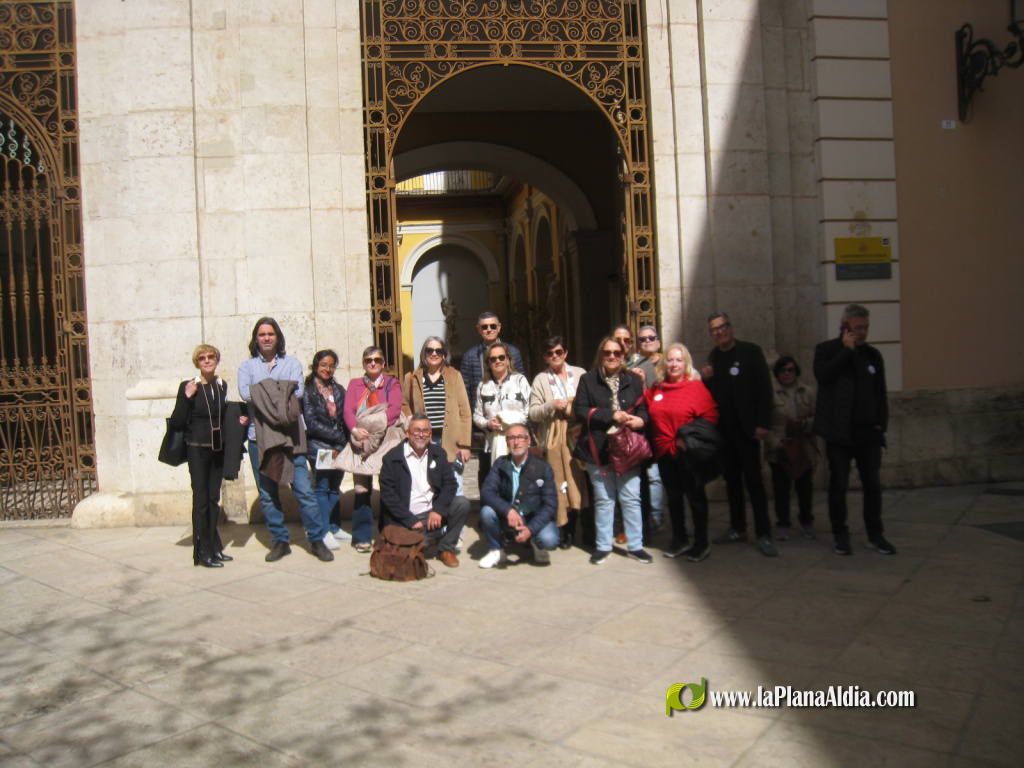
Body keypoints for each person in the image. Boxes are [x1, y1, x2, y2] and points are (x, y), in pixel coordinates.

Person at [238, 318, 334, 562]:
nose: (267, 338)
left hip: (292, 437)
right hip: (258, 438)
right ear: (256, 339)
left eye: (271, 334)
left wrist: (263, 391)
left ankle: (316, 539)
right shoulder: (246, 367)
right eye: (262, 334)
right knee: (268, 493)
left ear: (278, 337)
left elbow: (298, 392)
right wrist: (281, 390)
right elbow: (245, 393)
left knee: (304, 490)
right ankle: (280, 541)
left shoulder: (292, 363)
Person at [813, 304, 894, 555]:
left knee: (873, 485)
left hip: (868, 432)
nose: (862, 332)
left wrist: (881, 423)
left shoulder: (872, 355)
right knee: (839, 484)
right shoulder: (827, 350)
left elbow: (880, 392)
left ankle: (875, 534)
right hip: (839, 433)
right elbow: (823, 376)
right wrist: (846, 351)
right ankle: (840, 534)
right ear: (845, 326)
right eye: (857, 328)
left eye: (865, 328)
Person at [701, 312, 777, 557]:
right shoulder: (714, 357)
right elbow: (711, 394)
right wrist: (705, 379)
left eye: (723, 327)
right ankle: (737, 527)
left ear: (731, 328)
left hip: (748, 430)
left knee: (754, 481)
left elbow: (765, 389)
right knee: (731, 481)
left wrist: (763, 423)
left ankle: (764, 533)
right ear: (711, 335)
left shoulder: (750, 352)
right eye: (715, 329)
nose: (720, 332)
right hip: (724, 432)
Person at [573, 335, 652, 565]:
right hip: (598, 448)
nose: (612, 357)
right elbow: (580, 410)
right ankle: (603, 545)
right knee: (604, 499)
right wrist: (611, 415)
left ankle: (636, 545)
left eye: (617, 353)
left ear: (623, 356)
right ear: (601, 355)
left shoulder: (634, 380)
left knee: (631, 498)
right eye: (607, 353)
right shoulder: (588, 380)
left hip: (628, 447)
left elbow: (644, 409)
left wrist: (641, 421)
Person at [170, 344, 247, 567]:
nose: (207, 361)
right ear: (197, 363)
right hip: (197, 448)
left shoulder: (220, 385)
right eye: (202, 358)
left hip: (216, 449)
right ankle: (201, 551)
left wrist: (240, 419)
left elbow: (221, 416)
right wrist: (186, 397)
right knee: (201, 501)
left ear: (216, 360)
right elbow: (177, 420)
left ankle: (214, 546)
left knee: (213, 500)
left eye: (210, 357)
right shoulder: (189, 386)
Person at [644, 343, 719, 562]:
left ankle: (701, 542)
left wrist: (689, 438)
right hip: (665, 453)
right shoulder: (657, 388)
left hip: (688, 453)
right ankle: (680, 538)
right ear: (664, 363)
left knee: (695, 497)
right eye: (670, 359)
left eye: (679, 360)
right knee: (674, 497)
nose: (674, 364)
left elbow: (711, 416)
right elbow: (643, 405)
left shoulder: (695, 387)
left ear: (686, 363)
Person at [378, 413, 470, 568]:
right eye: (417, 431)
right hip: (407, 518)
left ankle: (445, 548)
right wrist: (409, 519)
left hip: (432, 513)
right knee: (412, 554)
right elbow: (388, 495)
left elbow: (450, 484)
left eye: (425, 431)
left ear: (430, 434)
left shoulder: (438, 453)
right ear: (408, 433)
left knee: (462, 503)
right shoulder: (392, 458)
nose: (421, 435)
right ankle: (425, 540)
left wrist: (439, 510)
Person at [529, 336, 589, 548]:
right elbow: (533, 413)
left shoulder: (581, 374)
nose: (555, 356)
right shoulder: (540, 380)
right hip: (554, 441)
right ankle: (568, 532)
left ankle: (588, 531)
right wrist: (551, 405)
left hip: (579, 438)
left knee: (583, 483)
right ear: (545, 357)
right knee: (561, 484)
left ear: (566, 352)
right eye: (549, 353)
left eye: (558, 352)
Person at [343, 346, 403, 553]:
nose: (373, 363)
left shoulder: (392, 383)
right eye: (369, 360)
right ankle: (362, 536)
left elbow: (394, 410)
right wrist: (355, 429)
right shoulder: (354, 384)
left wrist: (371, 425)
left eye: (377, 359)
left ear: (383, 363)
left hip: (385, 440)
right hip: (361, 441)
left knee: (387, 487)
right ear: (363, 363)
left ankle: (387, 534)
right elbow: (348, 410)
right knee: (361, 488)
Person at [478, 424, 560, 568]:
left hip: (533, 516)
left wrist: (531, 529)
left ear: (528, 441)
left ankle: (536, 543)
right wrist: (508, 510)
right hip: (509, 516)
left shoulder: (542, 467)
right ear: (507, 442)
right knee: (486, 512)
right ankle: (496, 550)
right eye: (511, 438)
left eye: (520, 437)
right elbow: (486, 491)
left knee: (549, 539)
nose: (516, 442)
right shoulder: (501, 464)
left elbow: (550, 505)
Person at [462, 311, 527, 485]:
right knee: (485, 468)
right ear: (478, 329)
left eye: (492, 326)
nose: (489, 329)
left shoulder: (513, 351)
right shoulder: (469, 355)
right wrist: (478, 421)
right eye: (485, 326)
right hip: (484, 422)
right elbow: (466, 389)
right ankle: (488, 505)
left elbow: (523, 388)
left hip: (512, 423)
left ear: (499, 328)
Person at [401, 336, 472, 495]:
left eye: (438, 350)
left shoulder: (454, 376)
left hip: (451, 440)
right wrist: (410, 417)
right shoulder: (412, 378)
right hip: (424, 439)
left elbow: (465, 412)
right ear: (424, 353)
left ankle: (454, 518)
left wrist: (465, 445)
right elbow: (404, 404)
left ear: (444, 354)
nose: (434, 354)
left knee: (454, 483)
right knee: (427, 482)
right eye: (430, 350)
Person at [302, 349, 350, 551]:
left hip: (339, 448)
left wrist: (341, 445)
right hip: (320, 448)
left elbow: (346, 417)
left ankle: (334, 526)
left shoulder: (339, 389)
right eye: (323, 365)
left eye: (331, 365)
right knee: (321, 487)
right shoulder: (308, 392)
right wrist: (339, 439)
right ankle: (323, 531)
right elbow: (311, 424)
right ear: (315, 366)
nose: (327, 369)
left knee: (334, 487)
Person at [766, 356, 817, 541]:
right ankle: (783, 523)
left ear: (796, 372)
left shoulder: (807, 392)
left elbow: (816, 418)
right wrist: (774, 443)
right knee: (781, 489)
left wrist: (804, 423)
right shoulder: (771, 393)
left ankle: (806, 521)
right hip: (780, 448)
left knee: (805, 487)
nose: (787, 374)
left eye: (790, 370)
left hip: (803, 447)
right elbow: (765, 423)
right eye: (783, 370)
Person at [473, 342, 531, 464]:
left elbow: (529, 410)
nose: (498, 361)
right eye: (493, 359)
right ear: (488, 363)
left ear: (508, 359)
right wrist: (488, 424)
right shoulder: (483, 385)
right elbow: (477, 415)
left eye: (501, 357)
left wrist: (510, 423)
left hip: (518, 442)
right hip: (492, 445)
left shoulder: (520, 381)